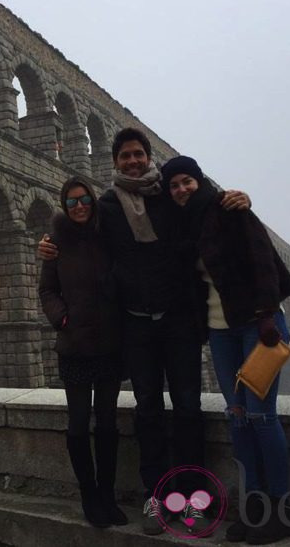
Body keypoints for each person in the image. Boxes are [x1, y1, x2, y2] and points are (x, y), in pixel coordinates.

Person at [39, 128, 249, 536]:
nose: (133, 161)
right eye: (125, 156)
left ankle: (191, 499)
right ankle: (158, 497)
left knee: (188, 407)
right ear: (114, 162)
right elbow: (74, 227)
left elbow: (204, 204)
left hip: (178, 321)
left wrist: (237, 200)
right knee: (148, 409)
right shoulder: (107, 207)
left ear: (148, 157)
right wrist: (48, 243)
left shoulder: (169, 196)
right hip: (135, 324)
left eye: (138, 154)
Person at [162, 155, 290, 545]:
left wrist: (267, 313)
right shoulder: (181, 226)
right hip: (220, 331)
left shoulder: (230, 208)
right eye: (174, 185)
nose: (181, 189)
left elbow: (263, 261)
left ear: (198, 180)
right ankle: (253, 506)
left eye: (186, 181)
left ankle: (281, 508)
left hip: (258, 324)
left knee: (261, 415)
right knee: (237, 416)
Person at [38, 175, 126, 528]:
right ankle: (89, 494)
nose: (79, 206)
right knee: (77, 424)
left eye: (84, 199)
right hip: (74, 345)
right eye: (72, 201)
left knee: (107, 422)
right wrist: (61, 319)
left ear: (93, 200)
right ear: (64, 205)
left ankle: (107, 494)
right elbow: (47, 290)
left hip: (109, 345)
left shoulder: (110, 236)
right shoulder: (55, 242)